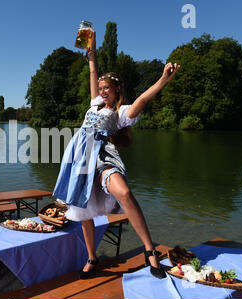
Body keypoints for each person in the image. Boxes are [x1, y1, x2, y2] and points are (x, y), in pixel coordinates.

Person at [53, 30, 180, 280]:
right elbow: (92, 69)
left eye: (106, 88)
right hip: (79, 157)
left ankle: (149, 250)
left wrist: (163, 79)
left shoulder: (121, 112)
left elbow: (142, 99)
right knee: (83, 211)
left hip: (102, 156)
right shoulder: (93, 104)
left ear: (117, 89)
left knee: (124, 192)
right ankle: (92, 258)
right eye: (100, 88)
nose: (101, 91)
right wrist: (91, 48)